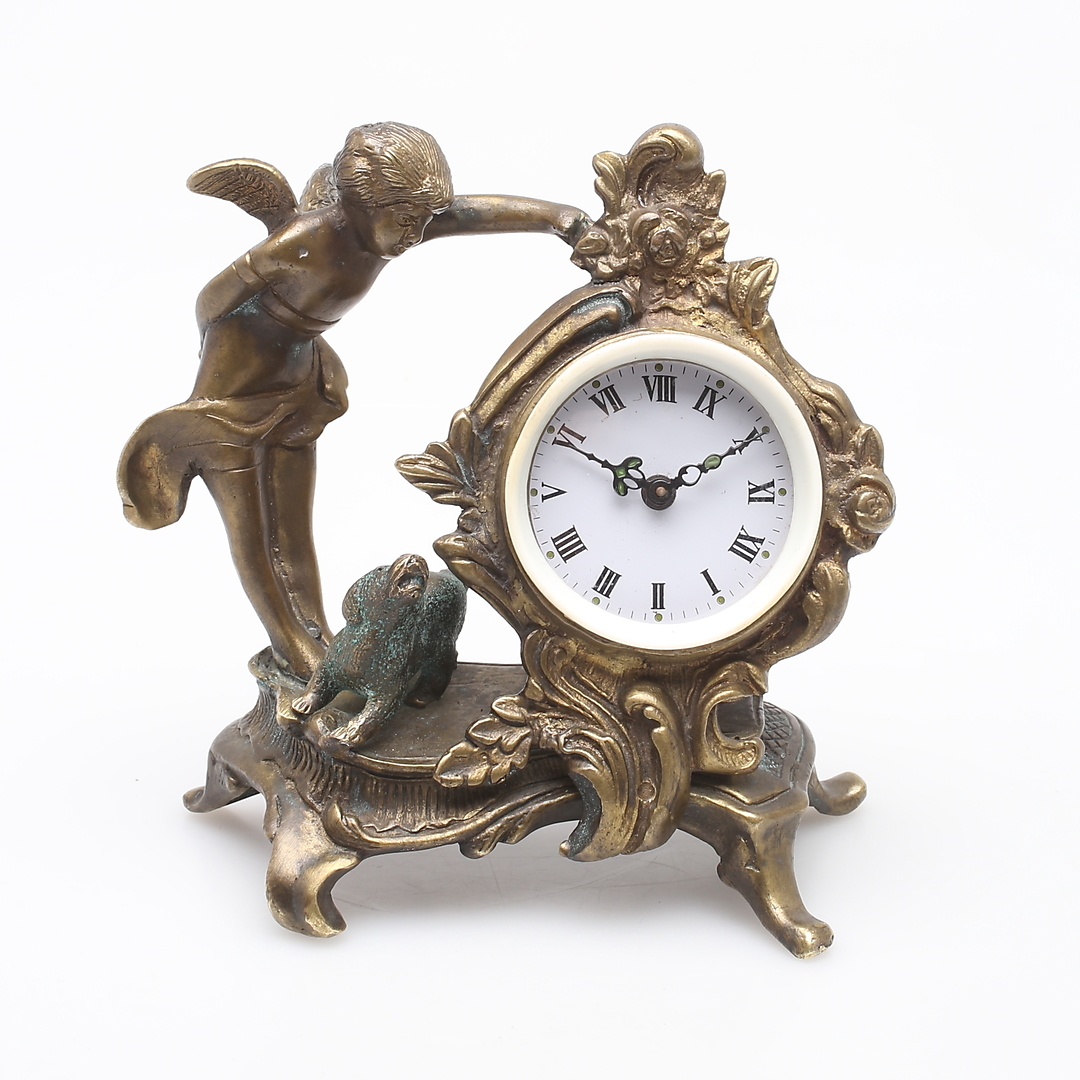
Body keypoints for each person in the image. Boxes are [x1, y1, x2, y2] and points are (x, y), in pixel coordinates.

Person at [119, 122, 589, 677]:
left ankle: (318, 640)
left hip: (298, 388)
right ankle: (294, 649)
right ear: (361, 206)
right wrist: (236, 356)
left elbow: (466, 214)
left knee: (293, 531)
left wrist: (557, 217)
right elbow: (211, 301)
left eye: (422, 220)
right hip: (232, 403)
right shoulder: (304, 243)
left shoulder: (385, 231)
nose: (416, 234)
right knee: (256, 535)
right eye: (406, 220)